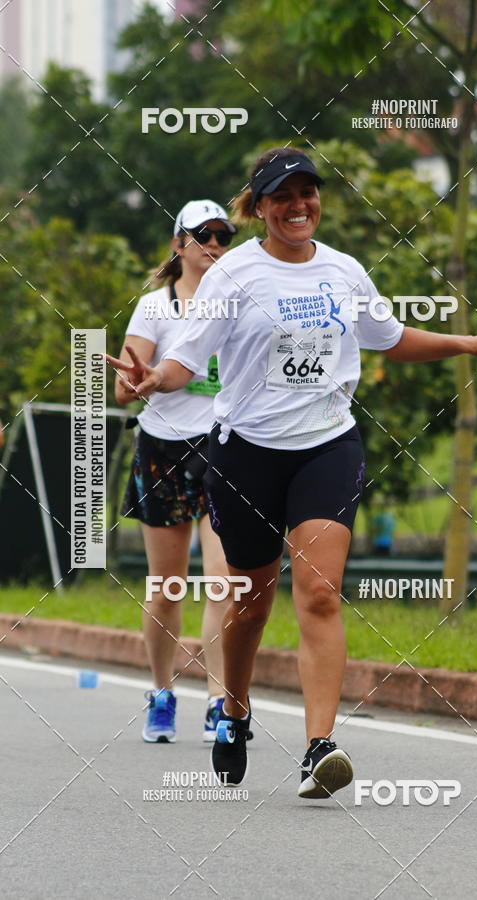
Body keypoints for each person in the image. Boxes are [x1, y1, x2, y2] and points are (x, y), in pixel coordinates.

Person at [107, 148, 477, 797]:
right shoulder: (233, 275)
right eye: (282, 196)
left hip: (326, 447)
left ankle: (319, 748)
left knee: (320, 593)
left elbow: (389, 337)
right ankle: (234, 711)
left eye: (307, 193)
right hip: (246, 452)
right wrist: (153, 379)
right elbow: (185, 360)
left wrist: (468, 344)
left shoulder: (344, 271)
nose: (298, 206)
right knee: (250, 604)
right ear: (259, 207)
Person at [113, 199, 244, 744]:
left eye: (223, 236)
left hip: (222, 449)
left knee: (224, 583)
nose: (213, 245)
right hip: (162, 451)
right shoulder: (154, 308)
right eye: (202, 235)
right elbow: (123, 390)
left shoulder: (240, 301)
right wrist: (146, 377)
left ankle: (218, 702)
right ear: (178, 244)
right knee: (167, 587)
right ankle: (161, 693)